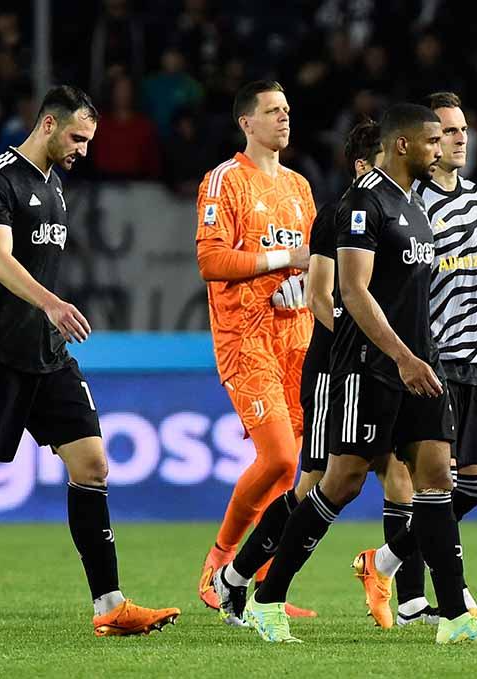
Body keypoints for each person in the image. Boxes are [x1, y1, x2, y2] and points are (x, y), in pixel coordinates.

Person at [240, 103, 477, 645]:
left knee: (439, 479)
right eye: (432, 140)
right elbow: (353, 292)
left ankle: (457, 619)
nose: (440, 149)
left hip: (418, 367)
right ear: (402, 146)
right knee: (339, 483)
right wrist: (402, 356)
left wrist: (423, 357)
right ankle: (267, 599)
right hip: (370, 369)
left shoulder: (414, 208)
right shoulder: (363, 205)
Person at [0, 86, 179, 638]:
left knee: (93, 464)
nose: (84, 149)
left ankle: (110, 606)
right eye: (78, 137)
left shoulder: (56, 185)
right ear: (49, 126)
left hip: (48, 354)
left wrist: (50, 319)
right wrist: (54, 303)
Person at [209, 119, 384, 627]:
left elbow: (313, 276)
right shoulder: (342, 213)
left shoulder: (392, 211)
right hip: (336, 366)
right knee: (318, 481)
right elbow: (323, 287)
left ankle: (241, 579)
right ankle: (247, 580)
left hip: (374, 364)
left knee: (394, 478)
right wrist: (308, 288)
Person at [356, 92, 477, 632]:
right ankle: (437, 598)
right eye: (447, 131)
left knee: (474, 486)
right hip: (430, 361)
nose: (460, 138)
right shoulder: (408, 204)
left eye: (463, 129)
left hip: (474, 362)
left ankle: (382, 560)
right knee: (433, 483)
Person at [194, 80, 316, 619]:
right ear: (246, 122)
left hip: (300, 337)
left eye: (287, 110)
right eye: (272, 111)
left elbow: (316, 262)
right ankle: (218, 566)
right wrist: (282, 262)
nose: (284, 119)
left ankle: (259, 584)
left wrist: (307, 284)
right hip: (246, 340)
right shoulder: (224, 181)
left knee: (296, 472)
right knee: (280, 457)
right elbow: (212, 261)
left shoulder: (299, 186)